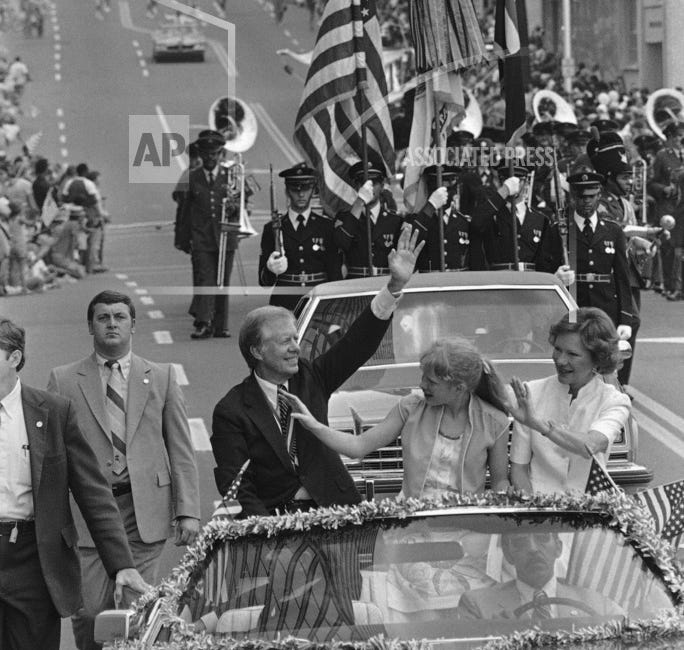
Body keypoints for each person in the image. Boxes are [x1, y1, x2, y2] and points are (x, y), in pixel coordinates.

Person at [212, 225, 424, 516]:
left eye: (296, 340)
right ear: (257, 351)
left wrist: (394, 287)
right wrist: (265, 534)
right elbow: (237, 483)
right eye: (285, 341)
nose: (296, 348)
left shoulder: (313, 377)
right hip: (276, 522)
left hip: (336, 513)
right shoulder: (232, 411)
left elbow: (358, 344)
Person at [47, 290, 201, 650]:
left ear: (134, 324)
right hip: (88, 514)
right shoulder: (64, 379)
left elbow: (180, 448)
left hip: (143, 510)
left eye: (119, 317)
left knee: (136, 609)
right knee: (90, 612)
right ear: (91, 326)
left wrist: (188, 510)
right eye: (103, 317)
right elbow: (51, 457)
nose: (112, 323)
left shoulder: (160, 377)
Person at [0, 318, 148, 650]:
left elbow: (92, 492)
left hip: (32, 559)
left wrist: (121, 564)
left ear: (14, 358)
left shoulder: (52, 411)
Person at [285, 337, 511, 498]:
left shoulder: (495, 421)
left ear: (459, 388)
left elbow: (500, 481)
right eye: (423, 377)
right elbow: (358, 446)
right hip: (413, 528)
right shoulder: (411, 406)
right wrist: (314, 425)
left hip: (469, 533)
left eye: (431, 382)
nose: (421, 385)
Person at [506, 307, 631, 494]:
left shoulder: (614, 401)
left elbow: (591, 445)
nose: (561, 360)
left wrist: (540, 425)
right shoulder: (530, 392)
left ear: (598, 359)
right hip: (536, 509)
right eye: (557, 349)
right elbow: (519, 468)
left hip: (588, 509)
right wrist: (535, 509)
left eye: (572, 354)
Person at [457, 531, 623, 620]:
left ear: (558, 548)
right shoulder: (478, 606)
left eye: (542, 538)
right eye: (520, 542)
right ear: (508, 554)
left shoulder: (597, 604)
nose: (533, 548)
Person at [469, 160, 573, 284]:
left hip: (530, 284)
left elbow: (544, 261)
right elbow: (476, 223)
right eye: (507, 179)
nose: (515, 184)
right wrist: (504, 191)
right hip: (499, 283)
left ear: (527, 182)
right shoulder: (491, 215)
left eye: (519, 179)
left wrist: (554, 277)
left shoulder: (540, 219)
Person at [178, 130, 238, 339]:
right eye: (206, 154)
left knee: (222, 282)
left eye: (214, 153)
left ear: (221, 153)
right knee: (206, 280)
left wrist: (235, 206)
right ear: (201, 154)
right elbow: (185, 210)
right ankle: (203, 323)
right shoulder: (192, 177)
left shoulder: (232, 175)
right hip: (202, 239)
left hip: (225, 239)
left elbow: (244, 208)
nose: (210, 158)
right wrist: (183, 239)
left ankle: (220, 325)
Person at [258, 162, 341, 311]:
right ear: (287, 191)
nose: (301, 194)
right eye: (295, 190)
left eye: (306, 189)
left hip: (317, 300)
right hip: (285, 302)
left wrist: (335, 309)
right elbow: (264, 282)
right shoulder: (273, 228)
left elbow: (334, 272)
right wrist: (270, 269)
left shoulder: (326, 227)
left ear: (313, 191)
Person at [567, 171, 636, 342]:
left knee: (606, 361)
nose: (587, 201)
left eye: (592, 196)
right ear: (573, 197)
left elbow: (622, 277)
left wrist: (625, 318)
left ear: (599, 195)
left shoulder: (613, 231)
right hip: (572, 306)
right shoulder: (560, 230)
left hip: (606, 308)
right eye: (582, 196)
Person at [334, 156, 403, 278]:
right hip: (356, 283)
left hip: (384, 283)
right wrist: (359, 201)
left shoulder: (395, 220)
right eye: (363, 183)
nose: (369, 187)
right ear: (357, 186)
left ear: (382, 186)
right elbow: (341, 243)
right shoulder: (345, 217)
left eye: (374, 182)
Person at [409, 166, 472, 272]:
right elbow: (410, 243)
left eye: (449, 185)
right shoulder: (418, 220)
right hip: (430, 285)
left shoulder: (463, 222)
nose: (444, 191)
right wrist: (430, 207)